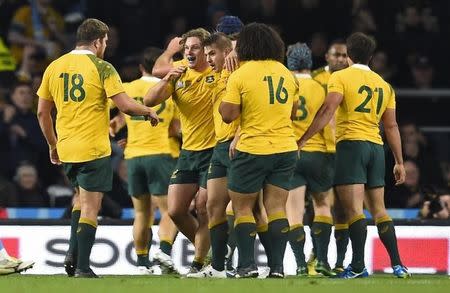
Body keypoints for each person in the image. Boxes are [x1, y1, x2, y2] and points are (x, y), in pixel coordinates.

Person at [36, 18, 159, 278]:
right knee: (92, 207)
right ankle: (82, 267)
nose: (106, 46)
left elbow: (42, 112)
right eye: (105, 42)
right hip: (93, 147)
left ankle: (72, 252)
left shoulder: (54, 67)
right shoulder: (102, 67)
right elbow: (125, 105)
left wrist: (52, 144)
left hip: (67, 147)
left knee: (80, 200)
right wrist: (147, 110)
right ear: (97, 41)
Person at [298, 32, 410, 279]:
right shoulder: (384, 85)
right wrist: (399, 161)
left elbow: (328, 109)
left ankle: (358, 266)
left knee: (353, 212)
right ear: (370, 57)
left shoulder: (340, 77)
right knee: (380, 210)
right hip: (376, 149)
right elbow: (391, 126)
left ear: (349, 55)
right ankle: (398, 265)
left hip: (351, 147)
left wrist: (304, 138)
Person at [220, 23, 299, 278]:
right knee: (277, 208)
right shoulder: (288, 74)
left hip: (252, 148)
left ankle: (246, 266)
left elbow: (228, 115)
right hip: (286, 147)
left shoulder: (241, 75)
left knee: (242, 208)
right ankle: (277, 268)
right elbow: (294, 112)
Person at [144, 28, 216, 274]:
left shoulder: (217, 72)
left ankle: (198, 264)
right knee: (175, 210)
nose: (188, 53)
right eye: (186, 49)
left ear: (206, 50)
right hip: (189, 152)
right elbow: (149, 101)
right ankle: (211, 252)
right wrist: (167, 79)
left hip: (214, 150)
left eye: (194, 48)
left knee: (205, 207)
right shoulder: (179, 72)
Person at [110, 46, 179, 274]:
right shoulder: (169, 90)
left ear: (141, 67)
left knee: (142, 213)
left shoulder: (128, 88)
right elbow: (176, 128)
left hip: (133, 158)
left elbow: (116, 112)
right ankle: (164, 252)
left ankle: (141, 263)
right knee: (169, 211)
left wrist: (120, 126)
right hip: (161, 155)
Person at [186, 32, 237, 278]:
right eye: (206, 55)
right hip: (220, 146)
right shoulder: (217, 76)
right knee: (211, 205)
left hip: (240, 145)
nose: (209, 59)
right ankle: (218, 266)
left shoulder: (239, 73)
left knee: (253, 208)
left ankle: (264, 266)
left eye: (212, 54)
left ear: (227, 52)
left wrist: (240, 134)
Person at [286, 42, 336, 277]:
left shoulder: (285, 85)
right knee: (323, 206)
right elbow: (329, 122)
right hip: (318, 153)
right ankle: (323, 261)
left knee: (293, 213)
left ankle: (299, 264)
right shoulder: (320, 87)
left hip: (290, 154)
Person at [310, 38, 349, 275]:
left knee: (344, 209)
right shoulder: (315, 80)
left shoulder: (351, 80)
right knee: (321, 205)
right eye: (337, 55)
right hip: (321, 151)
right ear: (327, 56)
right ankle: (318, 256)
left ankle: (340, 261)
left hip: (344, 150)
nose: (341, 59)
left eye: (345, 56)